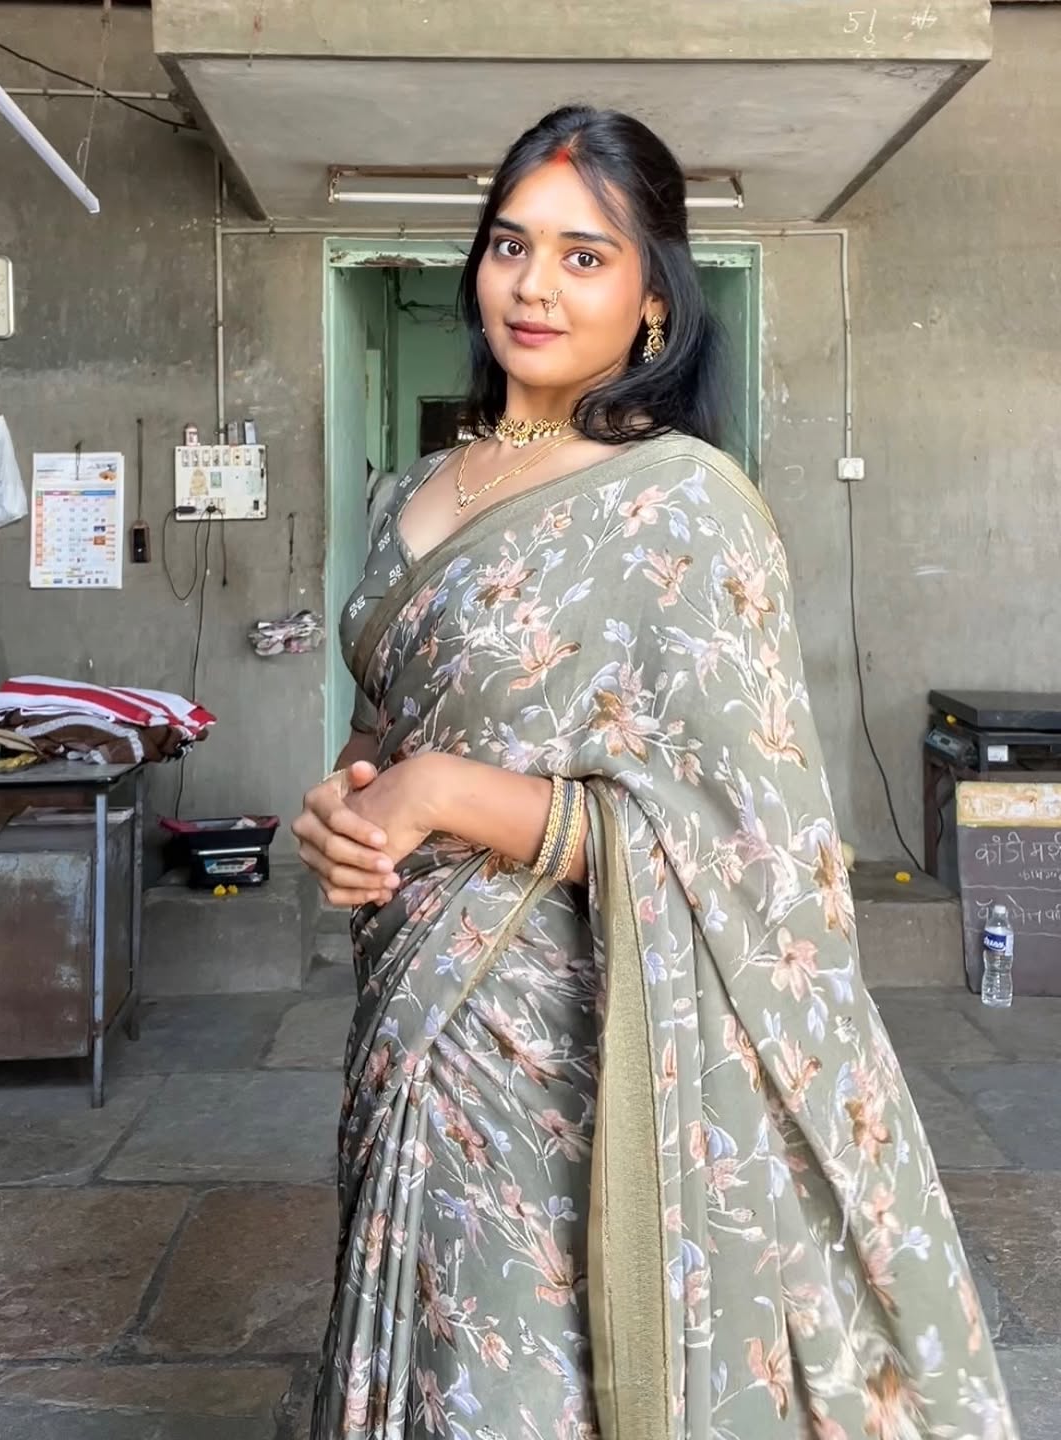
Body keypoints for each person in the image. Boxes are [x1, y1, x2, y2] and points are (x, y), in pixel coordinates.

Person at [293, 106, 1017, 1440]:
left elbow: (748, 842)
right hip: (411, 1018)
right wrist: (351, 802)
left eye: (585, 256)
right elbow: (385, 721)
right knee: (426, 1358)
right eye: (511, 245)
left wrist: (445, 794)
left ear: (653, 302)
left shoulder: (682, 506)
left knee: (519, 1386)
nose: (533, 284)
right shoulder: (411, 494)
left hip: (577, 1047)